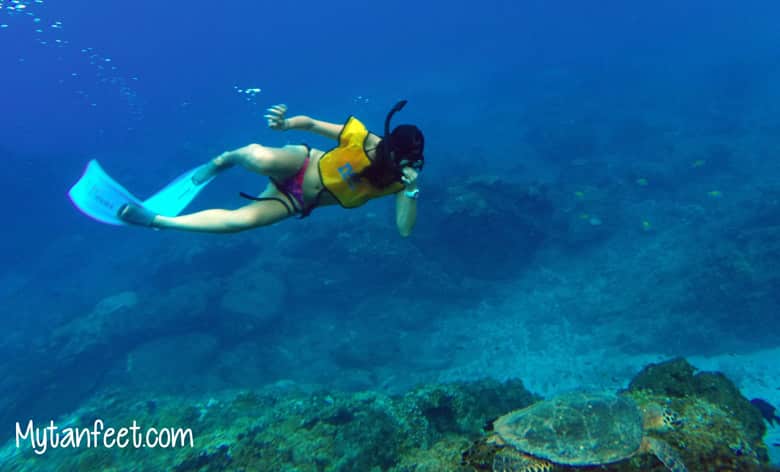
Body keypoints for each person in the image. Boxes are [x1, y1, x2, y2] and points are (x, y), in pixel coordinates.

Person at [117, 100, 425, 237]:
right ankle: (224, 160)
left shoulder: (402, 182)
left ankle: (158, 221)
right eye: (397, 155)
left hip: (297, 200)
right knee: (257, 157)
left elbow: (405, 230)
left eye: (408, 160)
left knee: (239, 223)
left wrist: (411, 190)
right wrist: (284, 125)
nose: (400, 164)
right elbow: (312, 124)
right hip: (303, 162)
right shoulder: (366, 139)